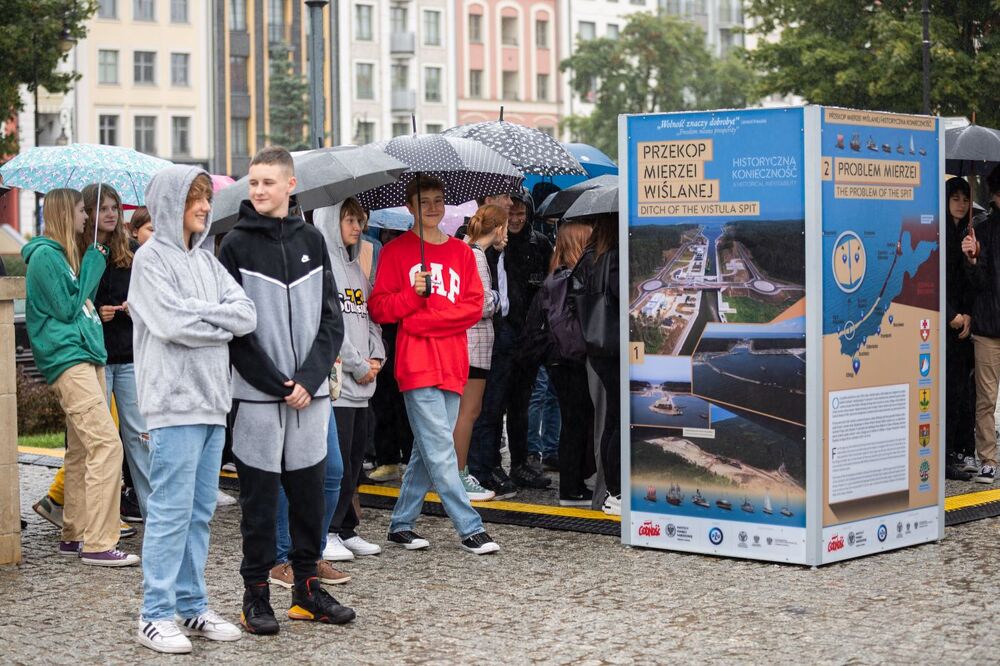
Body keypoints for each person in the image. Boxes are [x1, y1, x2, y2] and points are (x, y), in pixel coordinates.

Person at [217, 146, 353, 634]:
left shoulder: (313, 241)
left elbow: (332, 321)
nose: (258, 191)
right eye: (253, 183)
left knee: (309, 497)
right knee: (259, 501)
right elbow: (235, 332)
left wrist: (309, 381)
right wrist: (279, 383)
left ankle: (307, 591)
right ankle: (255, 595)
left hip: (309, 399)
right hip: (259, 397)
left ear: (290, 185)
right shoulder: (232, 246)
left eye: (267, 183)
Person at [128, 166, 257, 653]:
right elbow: (169, 323)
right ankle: (154, 613)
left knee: (200, 512)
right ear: (170, 204)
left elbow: (247, 315)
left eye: (206, 198)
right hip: (171, 403)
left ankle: (191, 604)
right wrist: (217, 322)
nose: (205, 206)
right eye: (195, 199)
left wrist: (205, 317)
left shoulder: (208, 261)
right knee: (169, 511)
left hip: (211, 402)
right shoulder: (149, 260)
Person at [368, 174, 500, 555]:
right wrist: (413, 295)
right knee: (441, 447)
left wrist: (423, 319)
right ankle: (469, 526)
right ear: (409, 206)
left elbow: (474, 306)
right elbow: (379, 308)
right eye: (424, 201)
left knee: (426, 451)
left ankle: (401, 523)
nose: (432, 207)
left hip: (453, 361)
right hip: (416, 364)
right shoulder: (395, 252)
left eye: (438, 200)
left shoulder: (461, 253)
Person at [21, 188, 138, 566]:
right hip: (68, 359)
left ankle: (74, 534)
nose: (86, 218)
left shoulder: (63, 257)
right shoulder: (44, 257)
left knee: (81, 450)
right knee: (107, 445)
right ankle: (99, 542)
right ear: (63, 214)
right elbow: (70, 306)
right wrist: (92, 263)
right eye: (80, 211)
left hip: (86, 355)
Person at [313, 198, 386, 561]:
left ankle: (345, 527)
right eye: (350, 220)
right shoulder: (324, 266)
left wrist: (377, 355)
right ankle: (326, 530)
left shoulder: (356, 267)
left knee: (355, 460)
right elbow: (332, 324)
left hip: (363, 383)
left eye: (361, 220)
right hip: (339, 382)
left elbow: (370, 315)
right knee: (337, 464)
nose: (358, 227)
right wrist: (358, 364)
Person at [470, 190, 554, 495]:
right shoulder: (486, 246)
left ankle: (520, 464)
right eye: (511, 213)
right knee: (491, 405)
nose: (516, 219)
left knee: (521, 405)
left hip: (529, 338)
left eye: (521, 214)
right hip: (495, 335)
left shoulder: (539, 244)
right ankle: (488, 466)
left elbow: (547, 291)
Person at [82, 183, 151, 524]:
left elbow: (149, 298)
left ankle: (152, 510)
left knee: (139, 435)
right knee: (101, 440)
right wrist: (97, 309)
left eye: (114, 208)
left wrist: (132, 307)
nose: (110, 214)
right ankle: (102, 517)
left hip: (128, 354)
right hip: (95, 356)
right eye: (103, 208)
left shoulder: (133, 252)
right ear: (89, 214)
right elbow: (75, 300)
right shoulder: (83, 253)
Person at [454, 204, 507, 501]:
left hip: (467, 343)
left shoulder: (465, 249)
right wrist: (497, 298)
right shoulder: (476, 256)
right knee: (469, 412)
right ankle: (460, 474)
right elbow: (482, 304)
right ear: (498, 228)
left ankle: (457, 472)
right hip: (475, 345)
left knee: (463, 412)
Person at [574, 214, 620, 514]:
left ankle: (610, 491)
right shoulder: (615, 258)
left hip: (595, 346)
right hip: (614, 346)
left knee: (609, 421)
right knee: (617, 419)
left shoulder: (588, 257)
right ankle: (616, 491)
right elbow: (622, 296)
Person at [963, 167, 1000, 484]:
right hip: (988, 328)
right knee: (986, 399)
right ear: (996, 196)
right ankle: (988, 459)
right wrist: (973, 259)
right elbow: (977, 283)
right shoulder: (983, 231)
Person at [944, 178, 977, 481]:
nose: (960, 204)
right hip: (943, 323)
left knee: (961, 390)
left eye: (964, 199)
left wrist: (972, 258)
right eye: (954, 198)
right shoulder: (937, 233)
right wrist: (951, 314)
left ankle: (956, 450)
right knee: (946, 390)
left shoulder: (968, 234)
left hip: (965, 325)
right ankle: (943, 455)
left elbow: (972, 282)